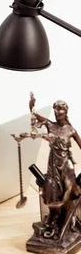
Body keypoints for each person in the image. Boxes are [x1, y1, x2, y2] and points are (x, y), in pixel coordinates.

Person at [30, 96, 81, 240]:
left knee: (70, 191)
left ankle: (68, 220)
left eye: (60, 110)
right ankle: (54, 220)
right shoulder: (51, 125)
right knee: (53, 191)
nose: (57, 113)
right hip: (53, 165)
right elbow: (36, 116)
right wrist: (32, 108)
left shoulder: (71, 130)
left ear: (66, 112)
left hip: (66, 166)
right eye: (55, 110)